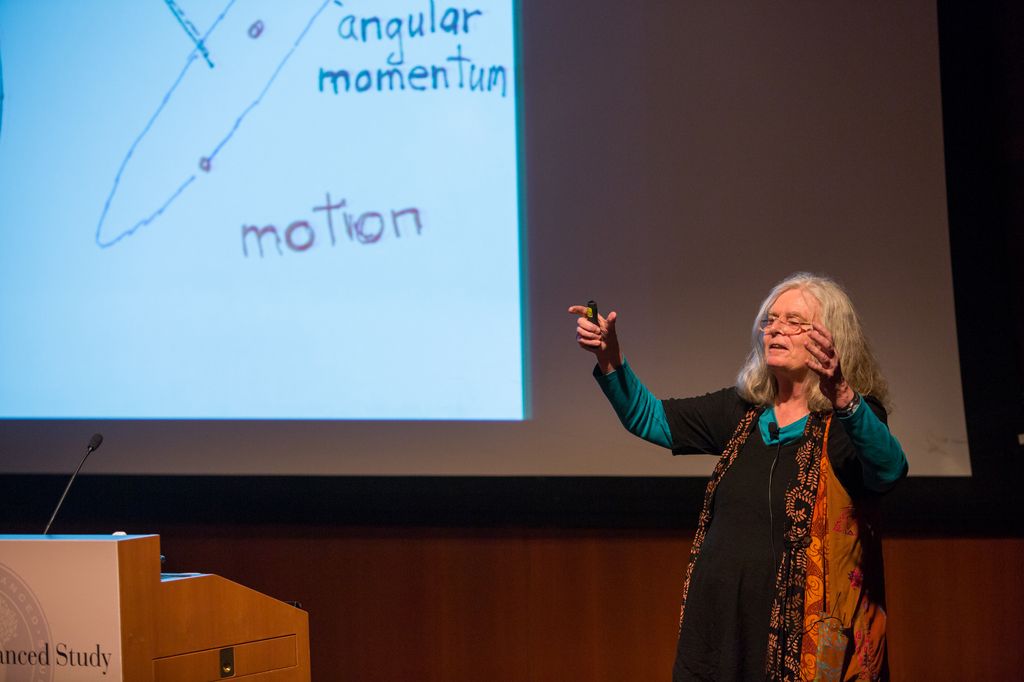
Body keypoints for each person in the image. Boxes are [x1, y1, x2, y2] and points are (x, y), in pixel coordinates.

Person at [569, 273, 907, 682]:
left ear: (831, 338)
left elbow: (889, 470)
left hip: (804, 636)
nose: (777, 328)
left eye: (795, 321)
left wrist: (843, 397)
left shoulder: (852, 419)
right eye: (771, 320)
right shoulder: (744, 412)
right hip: (721, 628)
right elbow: (652, 419)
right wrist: (610, 360)